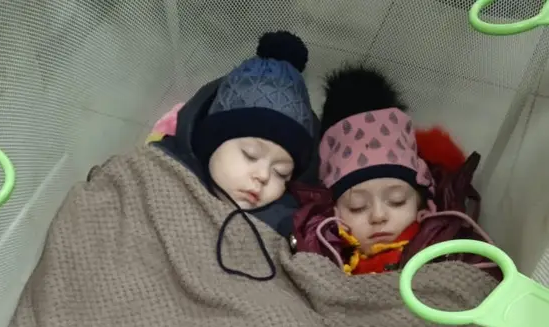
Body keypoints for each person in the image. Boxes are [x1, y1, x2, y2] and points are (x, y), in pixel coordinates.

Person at [289, 64, 501, 278]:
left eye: (397, 200)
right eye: (357, 207)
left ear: (422, 202)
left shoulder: (457, 251)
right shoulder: (312, 257)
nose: (379, 216)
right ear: (332, 211)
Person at [150, 30, 321, 280]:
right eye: (250, 155)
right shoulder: (162, 170)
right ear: (210, 145)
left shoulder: (288, 224)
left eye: (281, 173)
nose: (262, 176)